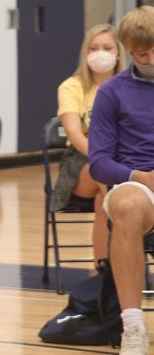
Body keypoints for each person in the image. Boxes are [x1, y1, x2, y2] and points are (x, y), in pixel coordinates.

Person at [88, 5, 154, 354]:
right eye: (144, 54)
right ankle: (133, 327)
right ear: (129, 51)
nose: (152, 58)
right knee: (127, 205)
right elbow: (98, 163)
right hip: (137, 184)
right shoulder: (112, 92)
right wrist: (140, 175)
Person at [51, 24, 124, 267]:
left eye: (106, 47)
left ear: (118, 53)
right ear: (85, 53)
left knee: (104, 202)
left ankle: (104, 268)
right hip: (82, 160)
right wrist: (102, 157)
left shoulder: (129, 85)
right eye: (93, 48)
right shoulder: (72, 86)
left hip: (124, 159)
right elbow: (73, 130)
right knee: (107, 181)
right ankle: (135, 248)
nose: (100, 52)